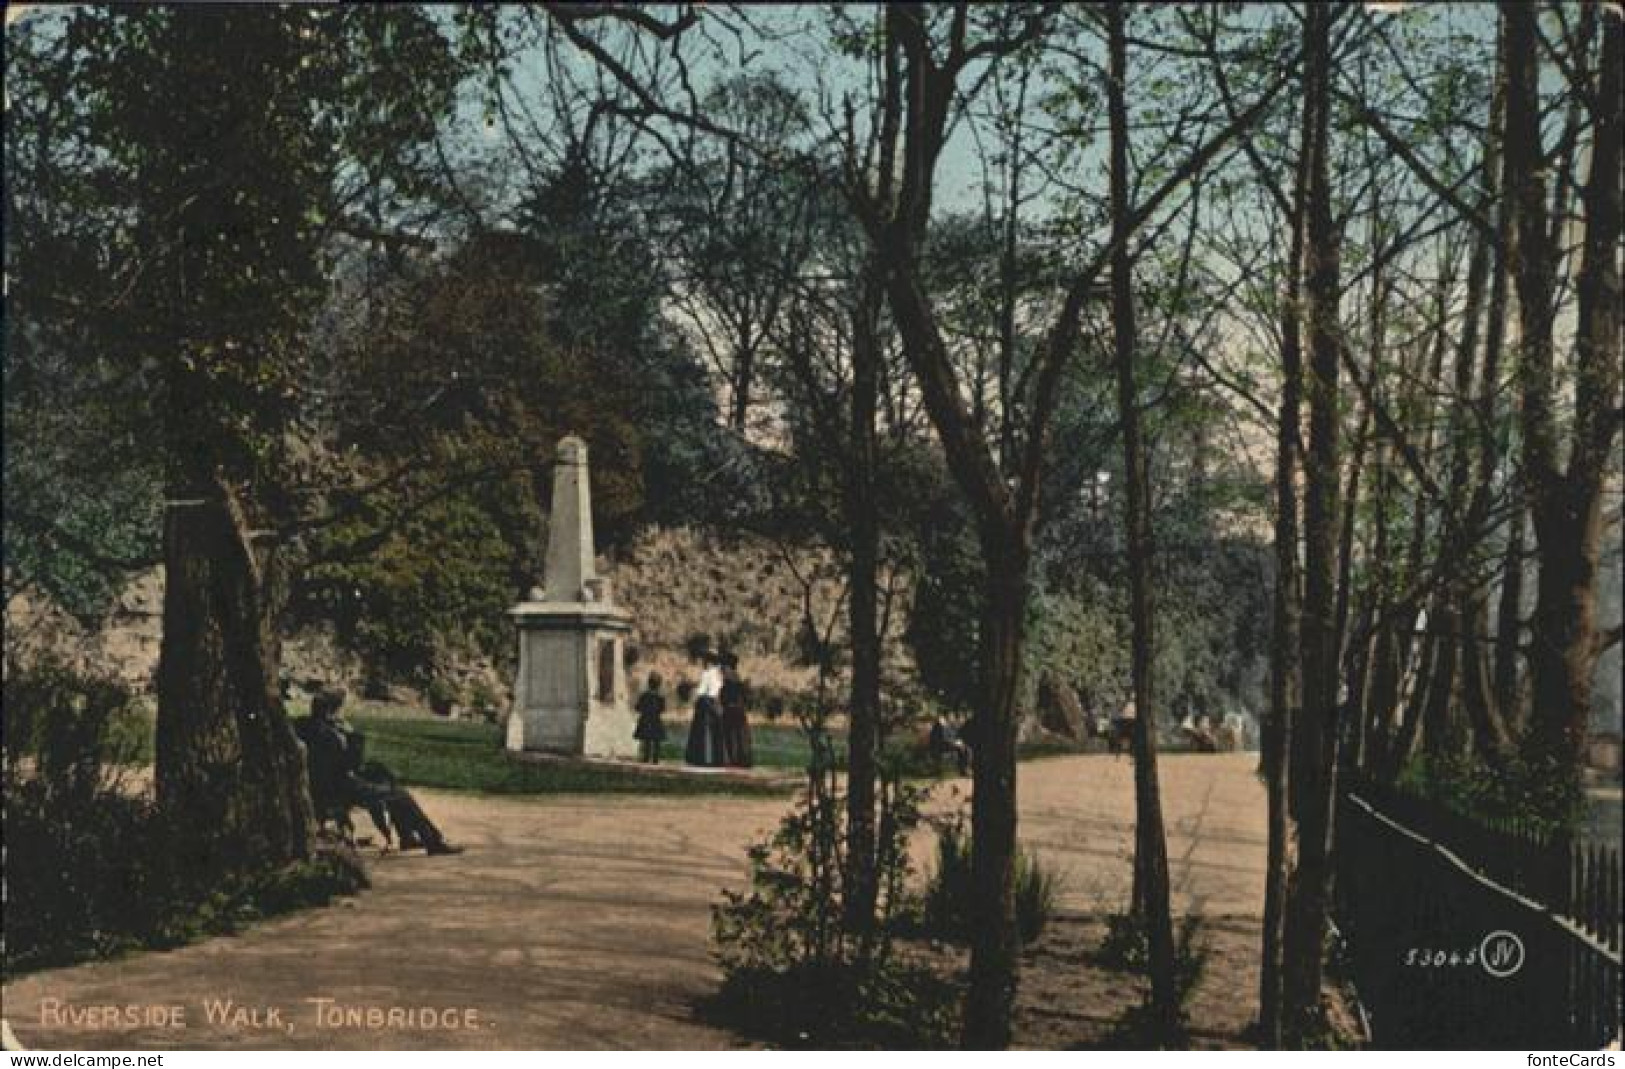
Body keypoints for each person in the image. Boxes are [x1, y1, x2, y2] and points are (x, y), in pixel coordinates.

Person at [296, 687, 462, 856]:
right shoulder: (332, 736)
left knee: (382, 774)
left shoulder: (303, 726)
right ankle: (433, 841)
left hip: (320, 785)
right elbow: (351, 765)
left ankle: (407, 837)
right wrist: (352, 735)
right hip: (338, 790)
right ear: (332, 712)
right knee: (399, 794)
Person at [684, 652, 725, 766]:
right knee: (714, 730)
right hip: (715, 702)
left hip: (706, 702)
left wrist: (695, 692)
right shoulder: (718, 673)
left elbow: (702, 690)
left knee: (703, 730)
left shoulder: (707, 673)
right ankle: (715, 758)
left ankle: (703, 757)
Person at [718, 654, 753, 768]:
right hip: (736, 708)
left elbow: (725, 694)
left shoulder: (729, 678)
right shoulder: (736, 677)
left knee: (731, 734)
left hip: (731, 708)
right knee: (737, 734)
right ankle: (738, 758)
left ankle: (733, 759)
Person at [634, 672, 668, 764]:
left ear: (649, 683)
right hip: (656, 719)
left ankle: (646, 758)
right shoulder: (660, 697)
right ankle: (655, 759)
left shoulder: (644, 695)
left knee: (647, 740)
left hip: (645, 719)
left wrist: (644, 710)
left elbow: (637, 707)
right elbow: (663, 709)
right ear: (659, 685)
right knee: (656, 740)